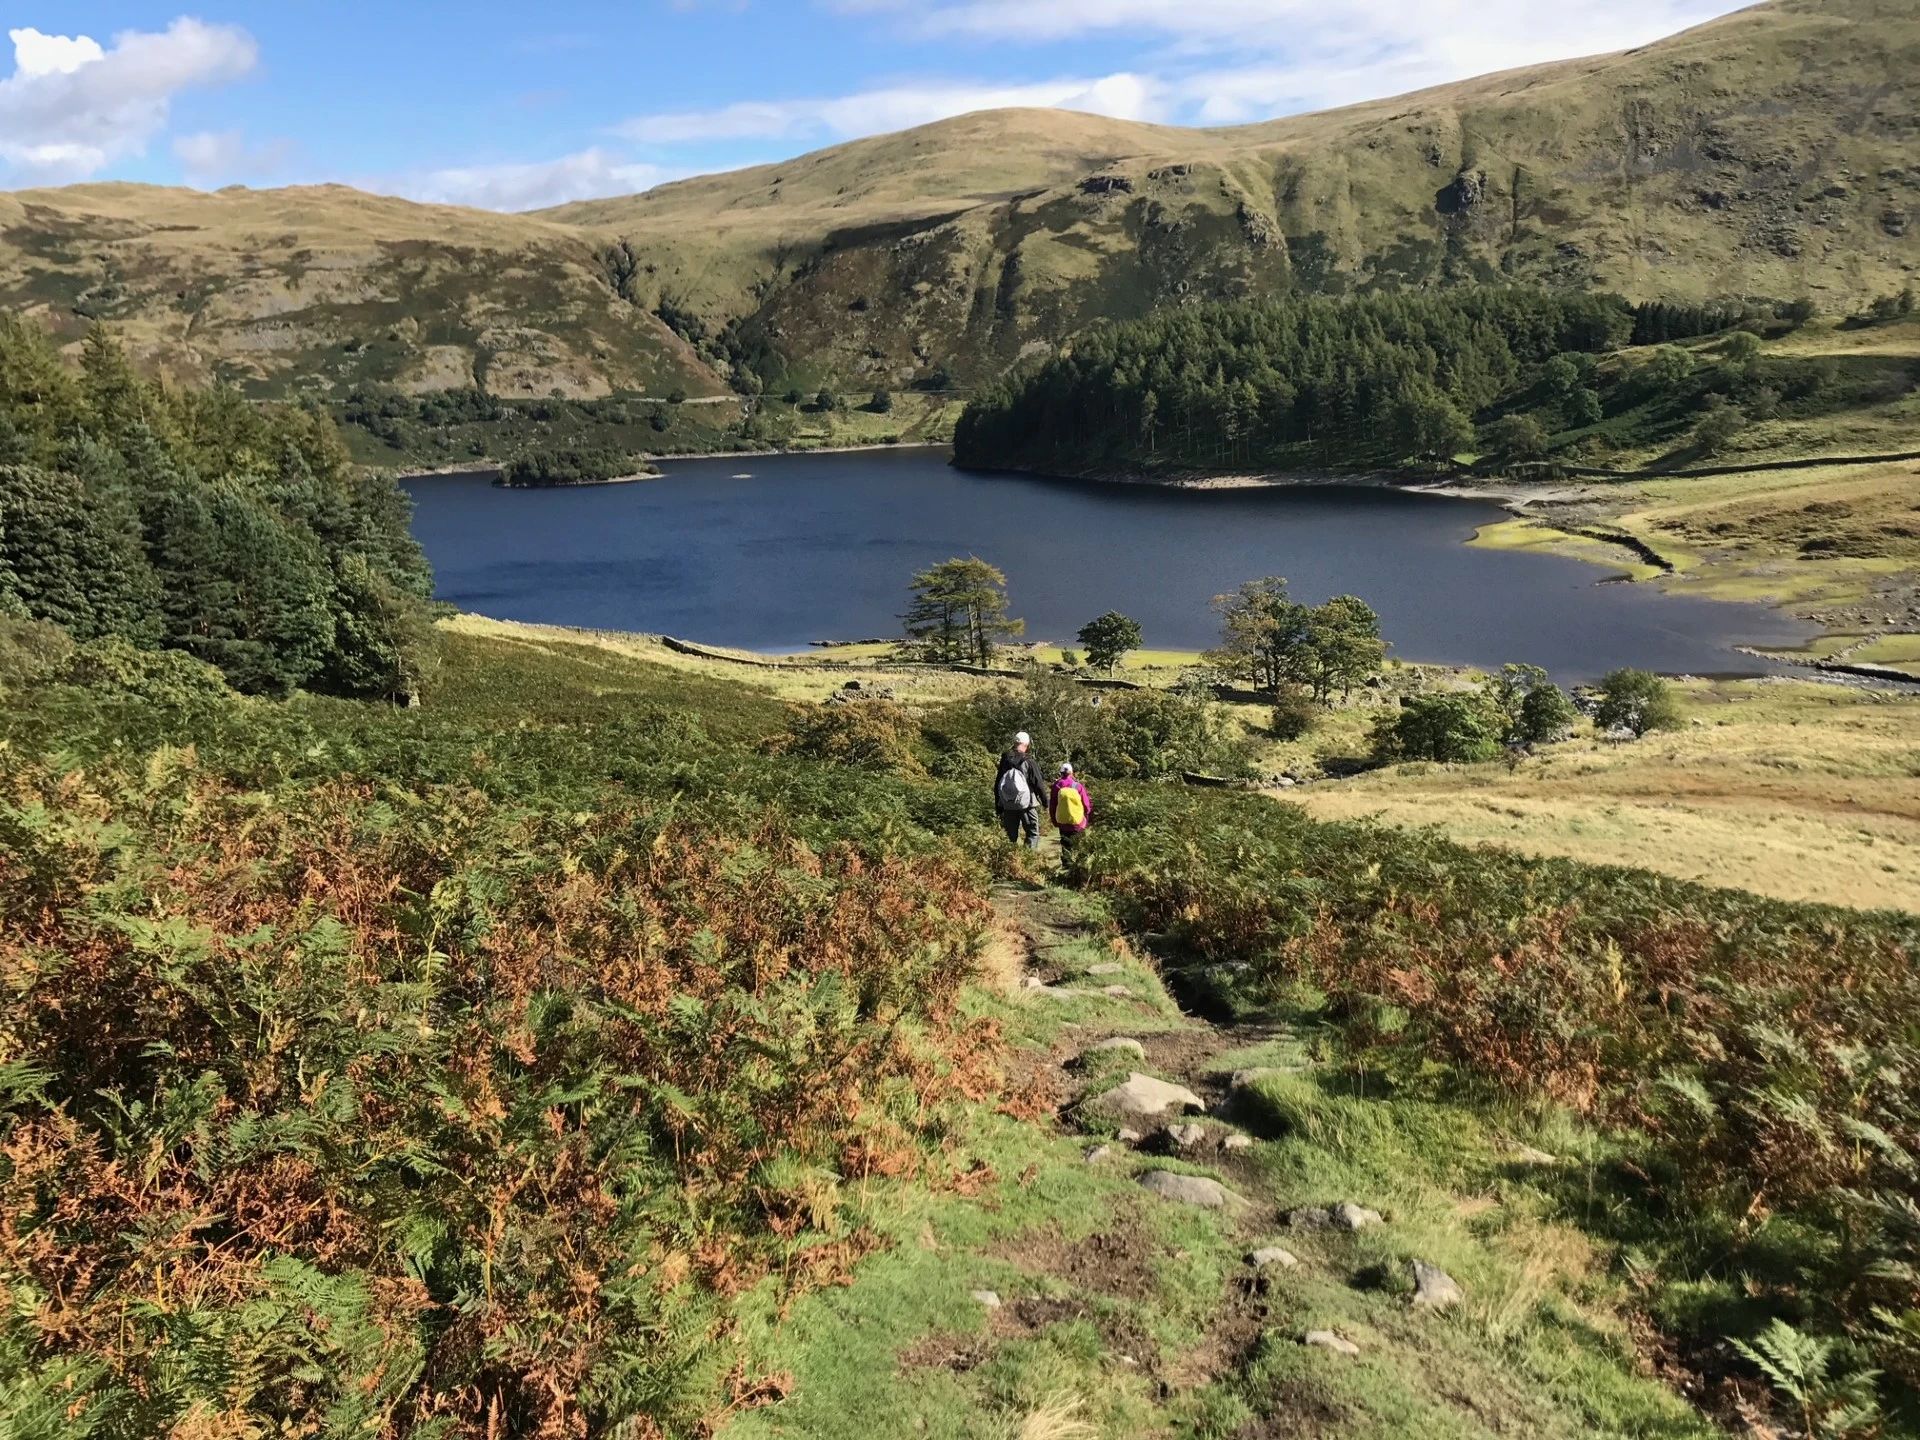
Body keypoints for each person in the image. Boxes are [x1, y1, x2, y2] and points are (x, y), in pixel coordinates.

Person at [994, 730, 1046, 849]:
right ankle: (1028, 860)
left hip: (1007, 804)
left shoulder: (1005, 760)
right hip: (1027, 804)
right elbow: (1038, 784)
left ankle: (1011, 861)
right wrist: (1045, 802)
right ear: (1026, 745)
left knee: (1010, 837)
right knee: (1032, 833)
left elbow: (998, 783)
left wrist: (998, 804)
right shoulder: (1029, 761)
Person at [1050, 762, 1091, 856]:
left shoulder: (1057, 785)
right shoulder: (1077, 786)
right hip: (1077, 822)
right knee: (1078, 844)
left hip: (1063, 822)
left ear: (1060, 773)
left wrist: (1054, 820)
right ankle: (1077, 864)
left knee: (1065, 844)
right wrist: (1087, 816)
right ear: (1072, 773)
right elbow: (1086, 804)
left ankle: (1066, 864)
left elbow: (1053, 805)